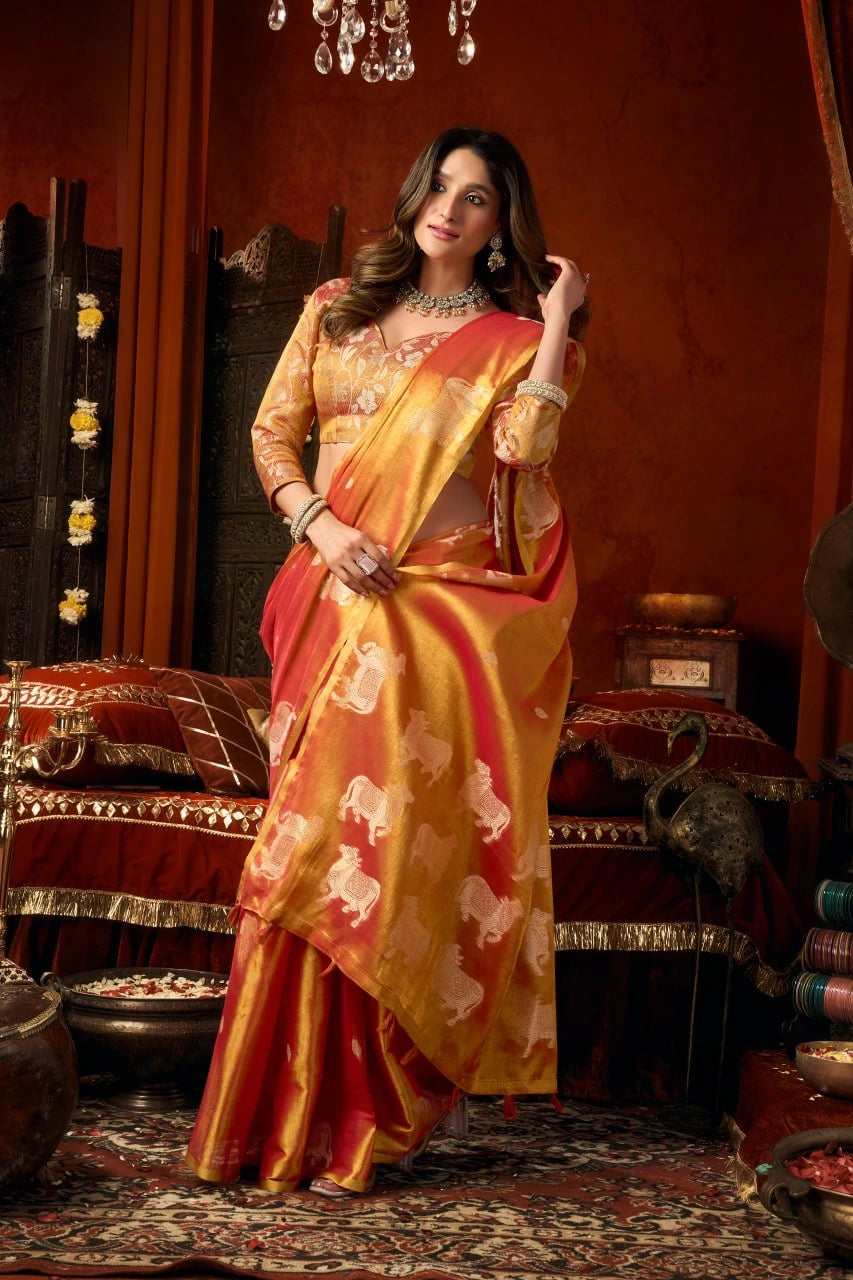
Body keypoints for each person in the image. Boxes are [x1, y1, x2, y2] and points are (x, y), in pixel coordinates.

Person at [186, 126, 588, 1197]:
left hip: (433, 618)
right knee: (305, 850)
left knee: (390, 853)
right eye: (439, 187)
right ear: (415, 194)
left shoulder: (509, 339)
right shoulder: (334, 308)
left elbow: (524, 452)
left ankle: (368, 1114)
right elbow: (271, 439)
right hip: (329, 593)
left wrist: (556, 322)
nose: (449, 210)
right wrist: (320, 527)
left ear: (500, 226)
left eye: (477, 199)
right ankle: (277, 1113)